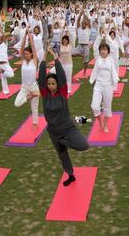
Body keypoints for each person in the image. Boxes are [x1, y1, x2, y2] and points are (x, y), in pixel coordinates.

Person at [37, 47, 89, 186]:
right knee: (62, 156)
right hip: (54, 131)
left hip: (67, 127)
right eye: (49, 84)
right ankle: (70, 175)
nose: (51, 86)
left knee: (83, 145)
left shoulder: (63, 92)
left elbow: (61, 74)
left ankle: (63, 142)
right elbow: (41, 76)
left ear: (58, 84)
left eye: (53, 84)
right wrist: (43, 57)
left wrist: (54, 56)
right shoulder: (45, 94)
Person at [90, 35, 119, 133]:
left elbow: (113, 47)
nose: (103, 51)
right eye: (101, 50)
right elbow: (95, 46)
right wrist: (100, 36)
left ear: (108, 51)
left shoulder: (112, 59)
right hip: (98, 85)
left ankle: (106, 124)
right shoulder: (97, 58)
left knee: (107, 106)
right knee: (94, 106)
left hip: (108, 86)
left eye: (105, 50)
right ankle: (100, 120)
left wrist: (106, 35)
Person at [15, 31, 41, 129]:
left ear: (31, 54)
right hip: (24, 88)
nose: (25, 55)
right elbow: (21, 48)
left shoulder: (34, 61)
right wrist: (25, 35)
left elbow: (33, 47)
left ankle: (35, 123)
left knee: (34, 108)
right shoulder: (23, 61)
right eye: (24, 54)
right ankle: (29, 97)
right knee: (17, 104)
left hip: (33, 87)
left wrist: (30, 36)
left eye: (27, 54)